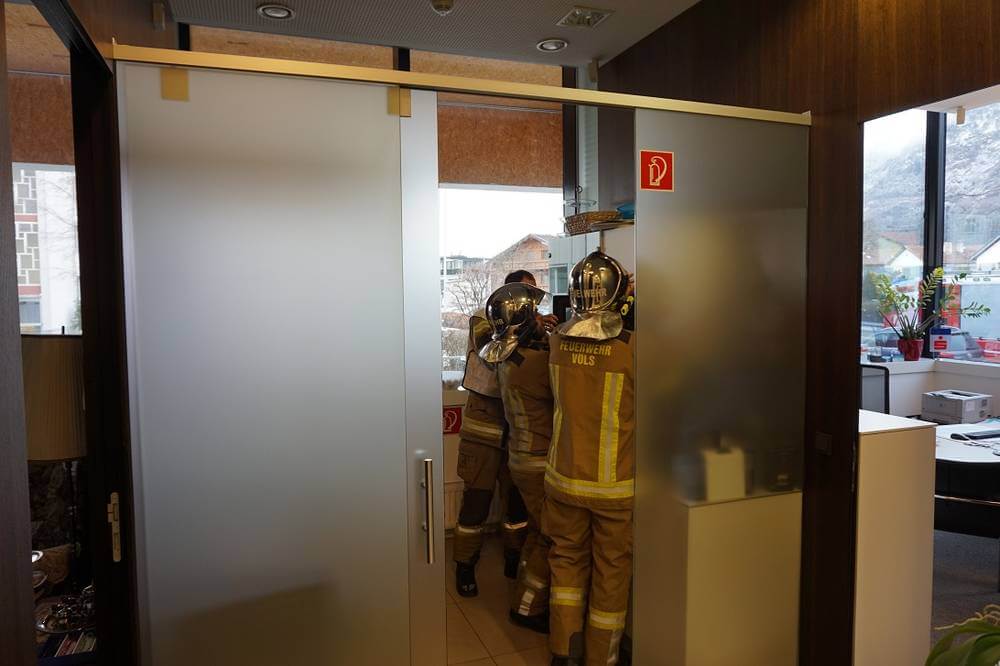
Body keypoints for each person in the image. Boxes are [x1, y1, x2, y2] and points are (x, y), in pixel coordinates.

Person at [543, 251, 635, 666]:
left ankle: (564, 652)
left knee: (565, 563)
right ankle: (601, 658)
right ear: (620, 295)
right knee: (610, 572)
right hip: (613, 487)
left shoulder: (556, 343)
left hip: (562, 477)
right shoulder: (633, 349)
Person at [452, 270, 551, 596]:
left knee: (517, 505)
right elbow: (493, 350)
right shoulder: (482, 319)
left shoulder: (532, 326)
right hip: (483, 423)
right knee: (476, 501)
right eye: (525, 295)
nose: (529, 304)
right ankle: (465, 565)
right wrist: (529, 328)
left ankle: (513, 557)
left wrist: (541, 331)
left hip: (517, 428)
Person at [480, 280, 555, 633]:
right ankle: (527, 607)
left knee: (537, 530)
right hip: (538, 460)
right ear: (523, 321)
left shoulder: (510, 358)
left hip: (521, 457)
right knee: (551, 536)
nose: (541, 318)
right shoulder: (536, 362)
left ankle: (525, 592)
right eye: (535, 313)